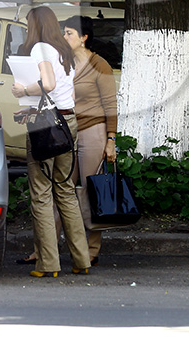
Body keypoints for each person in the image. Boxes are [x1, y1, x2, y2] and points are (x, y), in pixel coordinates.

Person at [10, 6, 91, 278]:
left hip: (46, 126)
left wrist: (23, 90)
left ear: (35, 26)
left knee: (41, 193)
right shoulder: (63, 50)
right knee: (66, 191)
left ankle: (48, 264)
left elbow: (48, 83)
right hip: (68, 122)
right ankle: (81, 259)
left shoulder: (40, 49)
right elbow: (60, 92)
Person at [62, 15, 117, 266]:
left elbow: (110, 106)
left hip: (92, 131)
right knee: (59, 189)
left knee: (89, 190)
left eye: (70, 33)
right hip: (65, 132)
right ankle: (45, 249)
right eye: (64, 32)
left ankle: (91, 249)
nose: (65, 37)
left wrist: (111, 140)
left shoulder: (100, 65)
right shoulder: (63, 63)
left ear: (84, 37)